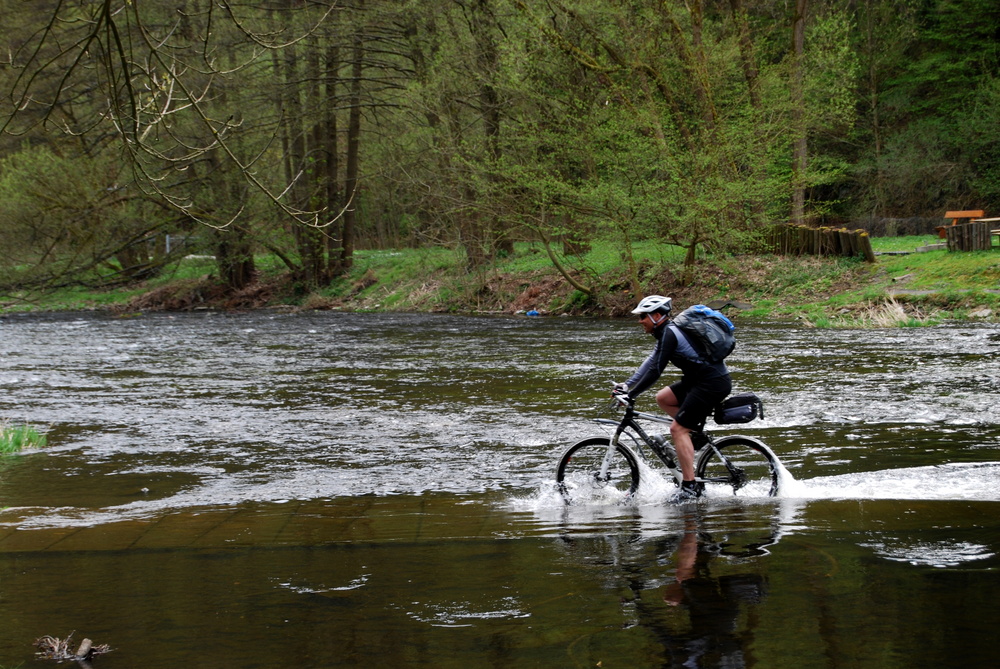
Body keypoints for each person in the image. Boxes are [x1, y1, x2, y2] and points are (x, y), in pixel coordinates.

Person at [614, 295, 732, 503]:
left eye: (643, 316)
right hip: (697, 381)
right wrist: (627, 385)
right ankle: (696, 434)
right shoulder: (665, 332)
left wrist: (631, 395)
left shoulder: (670, 333)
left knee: (677, 429)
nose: (640, 321)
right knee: (663, 398)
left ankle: (689, 487)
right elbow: (651, 362)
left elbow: (656, 371)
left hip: (711, 383)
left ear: (657, 316)